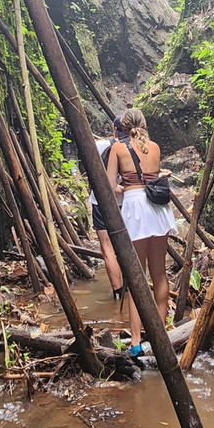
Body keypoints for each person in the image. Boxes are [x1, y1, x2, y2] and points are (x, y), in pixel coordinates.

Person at [105, 108, 176, 356]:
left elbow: (109, 184)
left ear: (124, 128)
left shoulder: (117, 148)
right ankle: (162, 335)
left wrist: (125, 189)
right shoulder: (154, 148)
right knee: (160, 274)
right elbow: (154, 176)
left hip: (136, 209)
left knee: (137, 278)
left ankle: (136, 341)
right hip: (158, 210)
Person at [90, 118, 124, 300]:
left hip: (102, 201)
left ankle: (118, 293)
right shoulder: (139, 147)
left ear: (115, 129)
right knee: (129, 244)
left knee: (107, 247)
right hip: (129, 202)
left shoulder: (101, 145)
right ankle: (133, 286)